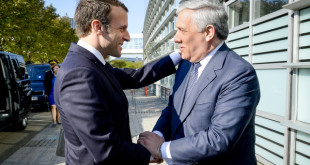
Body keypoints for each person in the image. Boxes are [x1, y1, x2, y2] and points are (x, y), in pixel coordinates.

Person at [53, 0, 181, 164]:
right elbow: (105, 148)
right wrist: (152, 152)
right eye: (122, 28)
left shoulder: (92, 64)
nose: (127, 37)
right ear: (97, 27)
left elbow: (136, 76)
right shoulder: (79, 74)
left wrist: (178, 55)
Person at [138, 0, 261, 164]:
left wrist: (162, 149)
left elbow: (218, 139)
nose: (175, 38)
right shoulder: (185, 64)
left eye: (182, 30)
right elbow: (172, 108)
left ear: (208, 32)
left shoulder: (239, 74)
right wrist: (157, 137)